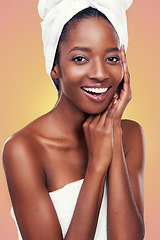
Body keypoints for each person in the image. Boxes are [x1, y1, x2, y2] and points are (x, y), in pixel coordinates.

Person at [2, 0, 145, 239]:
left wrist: (114, 134)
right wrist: (97, 166)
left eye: (112, 59)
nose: (100, 73)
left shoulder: (129, 135)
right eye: (80, 58)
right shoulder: (24, 149)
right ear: (54, 66)